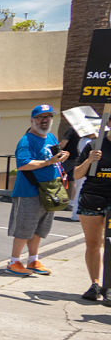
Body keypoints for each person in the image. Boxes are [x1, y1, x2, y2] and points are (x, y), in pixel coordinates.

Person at [6, 104, 71, 276]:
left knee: (41, 228)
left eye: (48, 117)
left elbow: (55, 157)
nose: (45, 120)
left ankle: (33, 259)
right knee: (25, 227)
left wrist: (63, 156)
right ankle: (14, 261)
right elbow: (23, 164)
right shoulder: (26, 140)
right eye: (41, 117)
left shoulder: (50, 137)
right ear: (32, 120)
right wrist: (48, 163)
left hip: (49, 190)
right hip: (29, 191)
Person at [73, 119, 111, 302]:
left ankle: (109, 286)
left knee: (110, 245)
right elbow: (76, 174)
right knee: (93, 243)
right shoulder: (94, 144)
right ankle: (95, 284)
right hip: (93, 197)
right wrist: (89, 159)